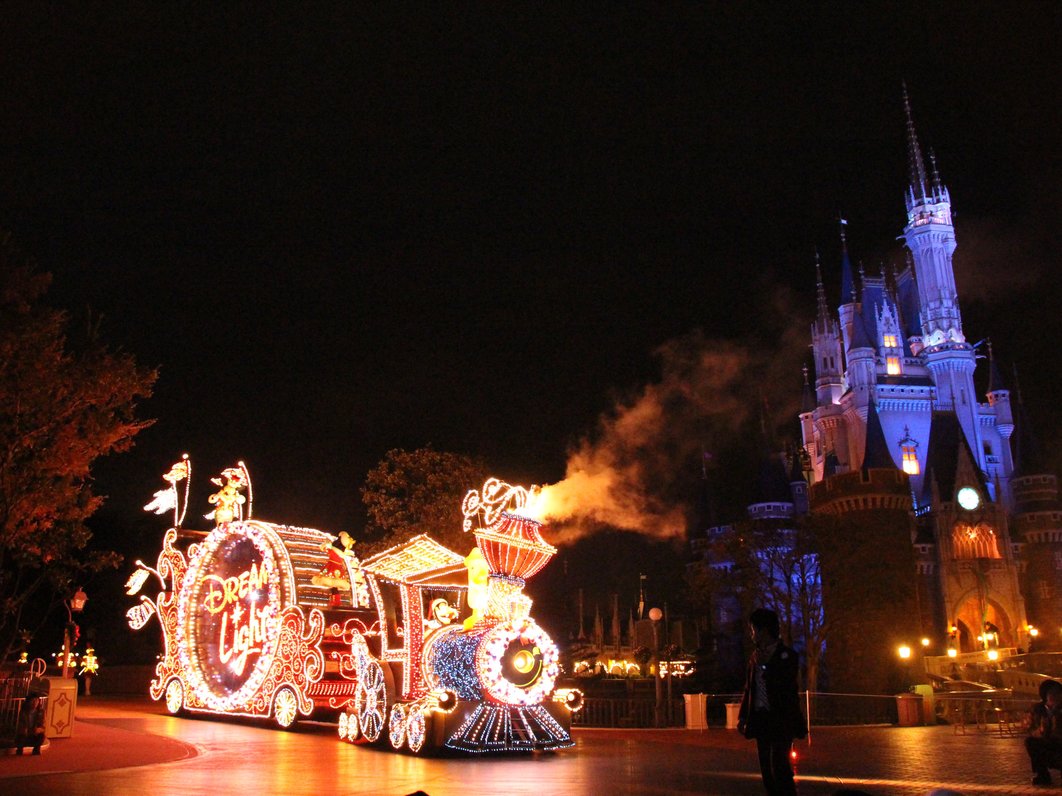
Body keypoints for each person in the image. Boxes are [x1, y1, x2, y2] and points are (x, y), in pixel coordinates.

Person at [737, 608, 806, 795]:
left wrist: (766, 665)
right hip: (761, 719)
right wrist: (743, 716)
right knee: (767, 770)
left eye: (753, 629)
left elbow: (786, 687)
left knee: (780, 766)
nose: (751, 634)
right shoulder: (754, 657)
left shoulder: (787, 655)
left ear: (764, 631)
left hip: (781, 719)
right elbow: (750, 688)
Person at [1026, 679, 1062, 785]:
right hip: (1046, 742)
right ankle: (1043, 775)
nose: (1057, 696)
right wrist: (1041, 730)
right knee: (1030, 742)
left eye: (1059, 693)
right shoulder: (1036, 709)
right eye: (1053, 693)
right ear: (1045, 695)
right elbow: (1030, 728)